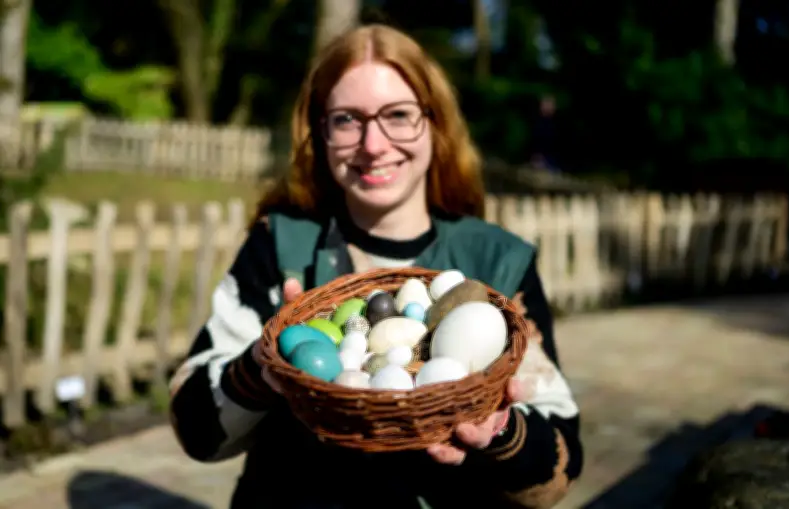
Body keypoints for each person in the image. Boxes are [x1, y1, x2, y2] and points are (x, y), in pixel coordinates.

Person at [168, 24, 583, 509]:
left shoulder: (494, 263)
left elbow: (559, 471)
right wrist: (259, 367)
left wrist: (501, 432)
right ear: (319, 131)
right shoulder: (283, 248)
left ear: (436, 123)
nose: (373, 144)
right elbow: (196, 432)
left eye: (399, 115)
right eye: (347, 119)